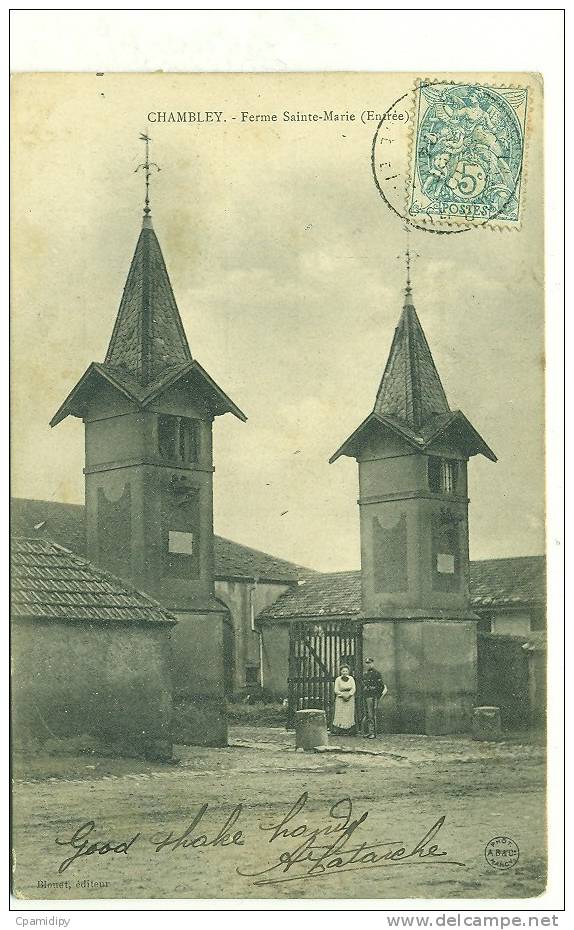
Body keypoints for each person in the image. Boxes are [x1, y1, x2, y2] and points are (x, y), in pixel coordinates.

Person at [362, 658, 387, 739]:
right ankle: (368, 732)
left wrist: (375, 692)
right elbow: (363, 684)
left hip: (373, 696)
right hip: (366, 696)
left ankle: (373, 733)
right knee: (367, 714)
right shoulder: (365, 674)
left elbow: (381, 686)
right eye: (366, 663)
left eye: (369, 663)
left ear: (373, 663)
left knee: (372, 714)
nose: (368, 664)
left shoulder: (377, 674)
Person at [332, 665, 356, 735]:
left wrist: (349, 695)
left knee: (349, 713)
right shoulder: (338, 679)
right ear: (340, 672)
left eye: (346, 671)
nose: (345, 672)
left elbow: (354, 688)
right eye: (343, 671)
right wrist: (343, 695)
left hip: (350, 698)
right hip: (340, 698)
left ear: (348, 671)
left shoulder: (351, 679)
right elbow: (336, 690)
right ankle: (340, 730)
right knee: (340, 713)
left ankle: (349, 730)